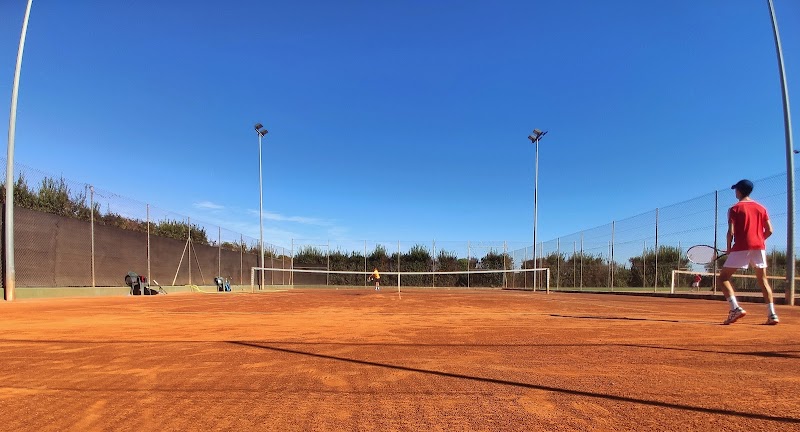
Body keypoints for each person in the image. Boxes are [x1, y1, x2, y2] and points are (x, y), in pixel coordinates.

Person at [718, 179, 779, 325]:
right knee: (763, 280)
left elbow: (730, 232)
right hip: (759, 247)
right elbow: (770, 230)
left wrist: (729, 248)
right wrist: (759, 240)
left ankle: (735, 309)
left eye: (736, 190)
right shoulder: (761, 208)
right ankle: (772, 315)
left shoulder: (734, 209)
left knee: (723, 278)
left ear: (739, 191)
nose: (735, 192)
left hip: (741, 246)